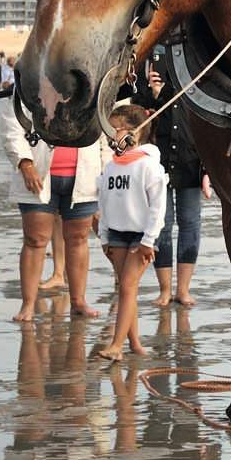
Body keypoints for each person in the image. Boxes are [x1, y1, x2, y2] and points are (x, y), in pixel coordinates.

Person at [0, 102, 105, 322]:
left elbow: (105, 132)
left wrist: (106, 173)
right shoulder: (29, 81)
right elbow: (13, 125)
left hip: (84, 175)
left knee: (78, 239)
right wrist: (25, 163)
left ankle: (78, 302)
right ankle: (28, 305)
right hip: (37, 177)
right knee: (35, 240)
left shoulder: (91, 83)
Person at [92, 104, 166, 363]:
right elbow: (103, 205)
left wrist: (148, 241)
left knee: (126, 287)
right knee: (126, 290)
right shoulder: (112, 166)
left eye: (114, 131)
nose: (110, 137)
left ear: (132, 133)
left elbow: (159, 207)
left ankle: (116, 345)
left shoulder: (149, 166)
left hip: (141, 237)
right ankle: (134, 343)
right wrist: (103, 238)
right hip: (117, 235)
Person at [145, 65, 210, 310]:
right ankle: (164, 290)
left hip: (190, 163)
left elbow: (206, 131)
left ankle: (183, 289)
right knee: (162, 224)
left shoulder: (196, 86)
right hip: (158, 165)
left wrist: (206, 171)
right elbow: (139, 122)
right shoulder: (148, 84)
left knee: (190, 224)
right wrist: (155, 93)